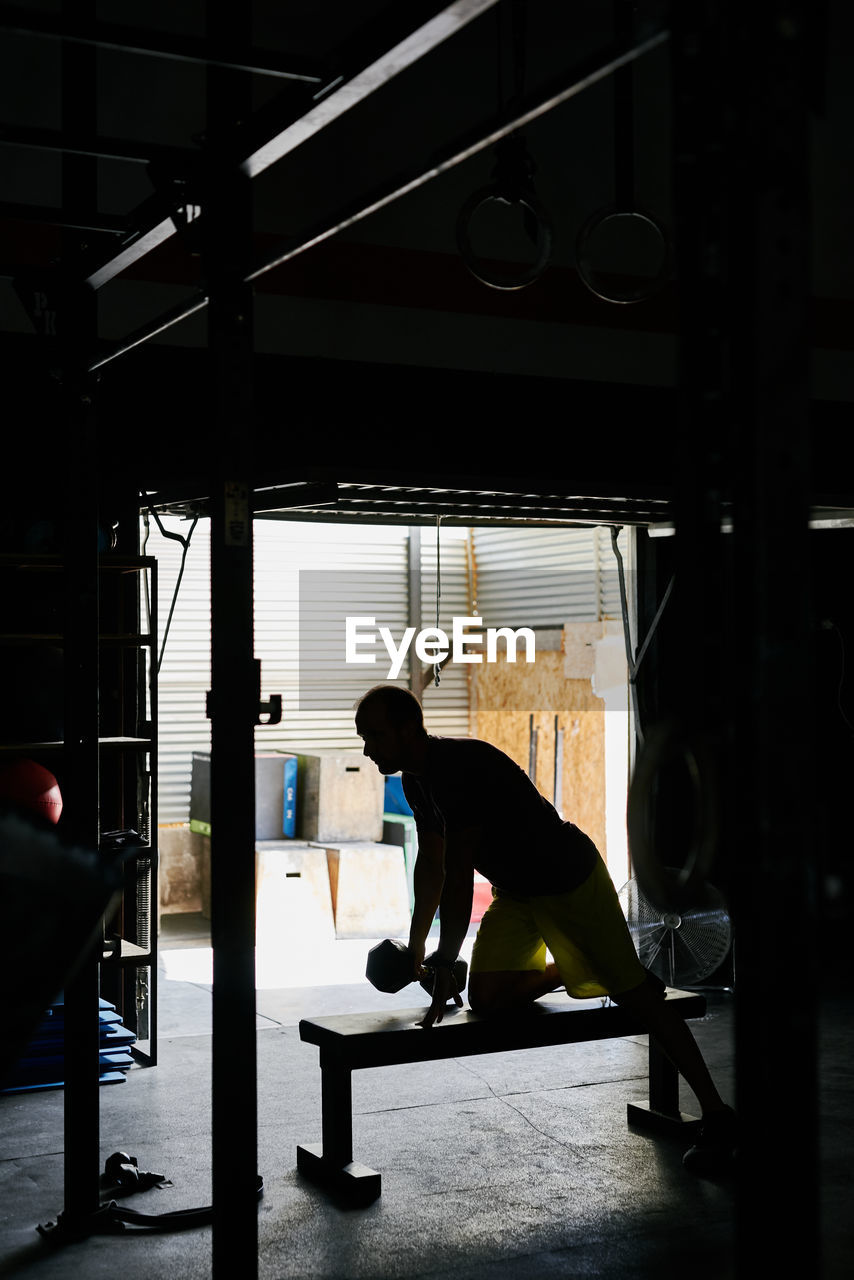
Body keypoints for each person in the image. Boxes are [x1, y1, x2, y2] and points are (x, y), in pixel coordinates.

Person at [354, 682, 736, 1173]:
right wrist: (416, 947)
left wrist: (447, 960)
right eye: (364, 738)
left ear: (409, 730)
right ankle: (579, 962)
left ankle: (718, 1114)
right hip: (518, 891)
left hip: (566, 877)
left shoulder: (455, 769)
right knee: (487, 998)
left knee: (638, 999)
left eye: (374, 736)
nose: (368, 749)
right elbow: (430, 866)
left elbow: (457, 874)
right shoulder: (415, 780)